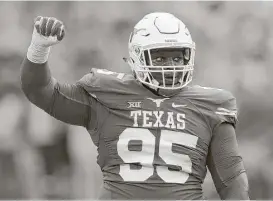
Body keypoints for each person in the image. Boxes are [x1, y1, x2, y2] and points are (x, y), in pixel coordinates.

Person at [20, 12, 250, 200]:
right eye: (159, 58)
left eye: (177, 58)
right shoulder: (106, 93)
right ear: (137, 57)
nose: (170, 65)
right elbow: (42, 92)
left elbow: (232, 183)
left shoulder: (212, 106)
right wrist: (39, 49)